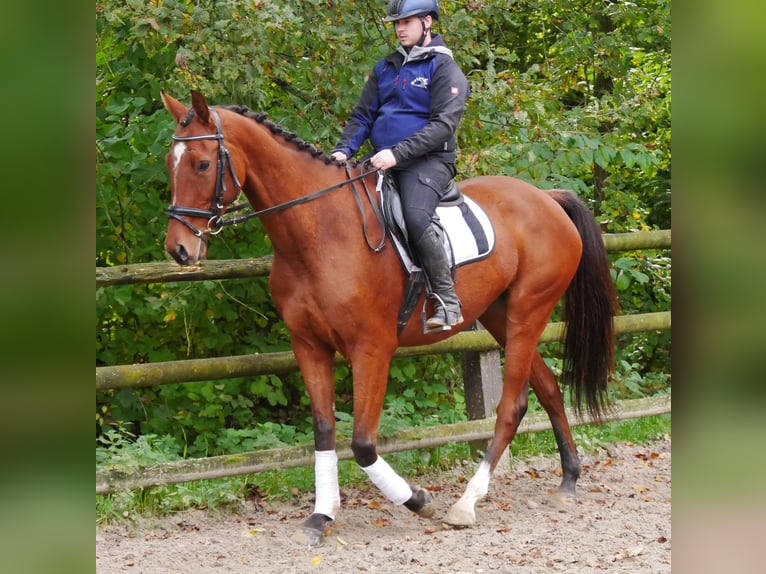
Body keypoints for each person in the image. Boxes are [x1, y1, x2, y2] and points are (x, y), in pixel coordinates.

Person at [331, 0, 469, 331]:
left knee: (416, 218)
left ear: (427, 22)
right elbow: (363, 116)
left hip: (427, 162)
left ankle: (447, 301)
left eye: (406, 22)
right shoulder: (386, 67)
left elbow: (442, 126)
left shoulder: (444, 68)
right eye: (397, 23)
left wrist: (397, 153)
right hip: (383, 160)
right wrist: (342, 151)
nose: (400, 28)